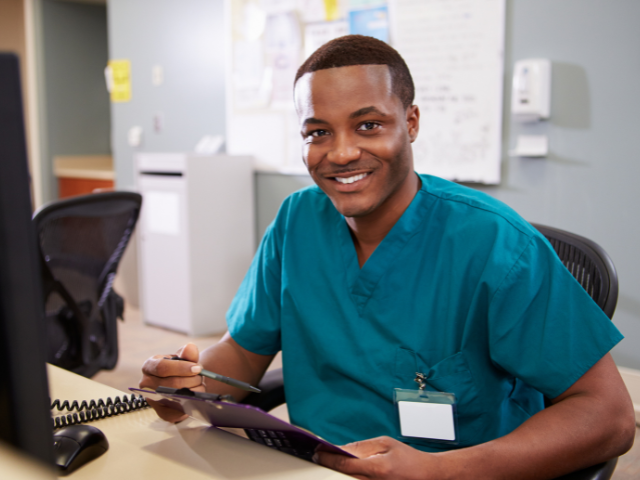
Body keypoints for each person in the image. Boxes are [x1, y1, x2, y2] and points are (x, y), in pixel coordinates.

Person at [141, 35, 635, 479]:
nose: (340, 153)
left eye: (369, 125)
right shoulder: (297, 221)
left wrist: (439, 472)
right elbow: (244, 353)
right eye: (318, 133)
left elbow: (609, 417)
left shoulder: (496, 245)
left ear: (411, 123)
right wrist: (188, 382)